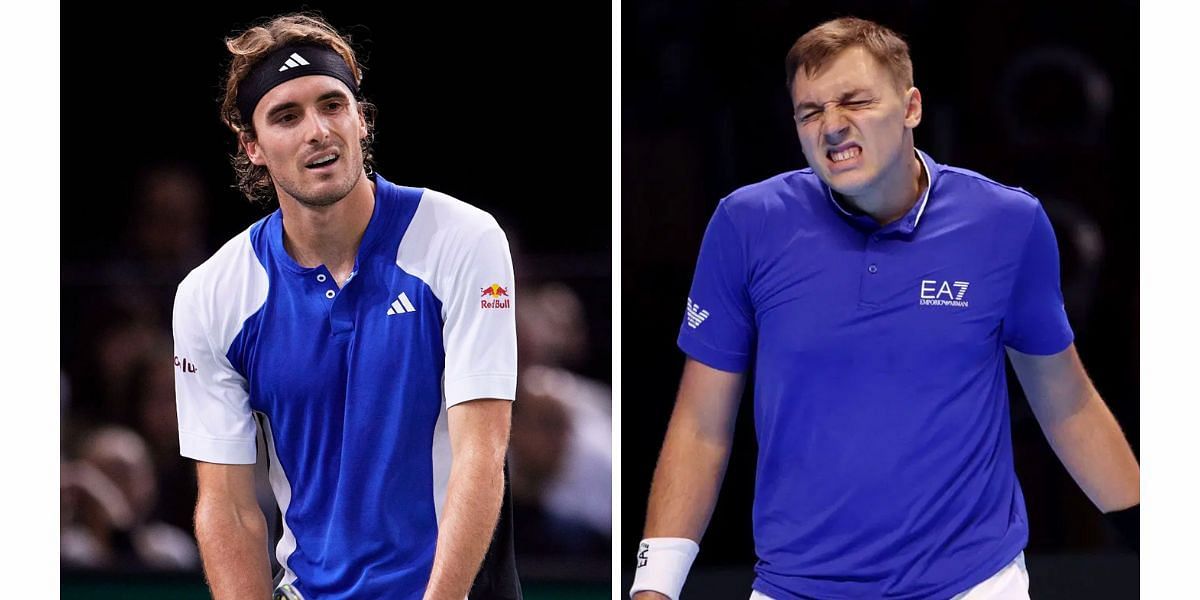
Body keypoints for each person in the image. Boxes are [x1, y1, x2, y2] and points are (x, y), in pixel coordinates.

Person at [630, 17, 1140, 600]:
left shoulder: (1008, 224)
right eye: (810, 111)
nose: (832, 126)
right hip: (794, 586)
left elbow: (1066, 403)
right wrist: (654, 588)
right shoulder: (746, 223)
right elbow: (700, 426)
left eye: (855, 101)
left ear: (911, 107)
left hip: (973, 584)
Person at [172, 13, 520, 600]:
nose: (318, 131)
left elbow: (480, 454)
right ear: (252, 147)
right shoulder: (211, 294)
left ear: (362, 118)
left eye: (332, 105)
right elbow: (227, 507)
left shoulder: (463, 237)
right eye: (286, 116)